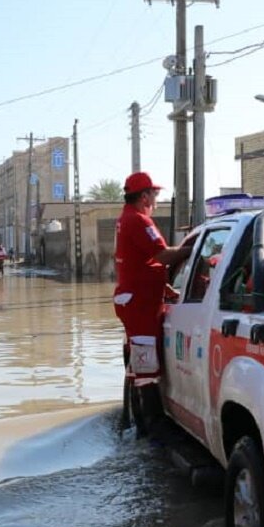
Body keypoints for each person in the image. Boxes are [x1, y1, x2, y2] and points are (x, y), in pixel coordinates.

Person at [113, 171, 193, 435]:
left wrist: (162, 286)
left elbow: (143, 262)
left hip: (136, 301)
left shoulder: (127, 219)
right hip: (140, 306)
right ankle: (153, 429)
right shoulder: (138, 220)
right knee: (146, 366)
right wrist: (194, 249)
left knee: (138, 364)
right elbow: (162, 255)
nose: (156, 198)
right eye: (155, 194)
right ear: (144, 196)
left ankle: (136, 423)